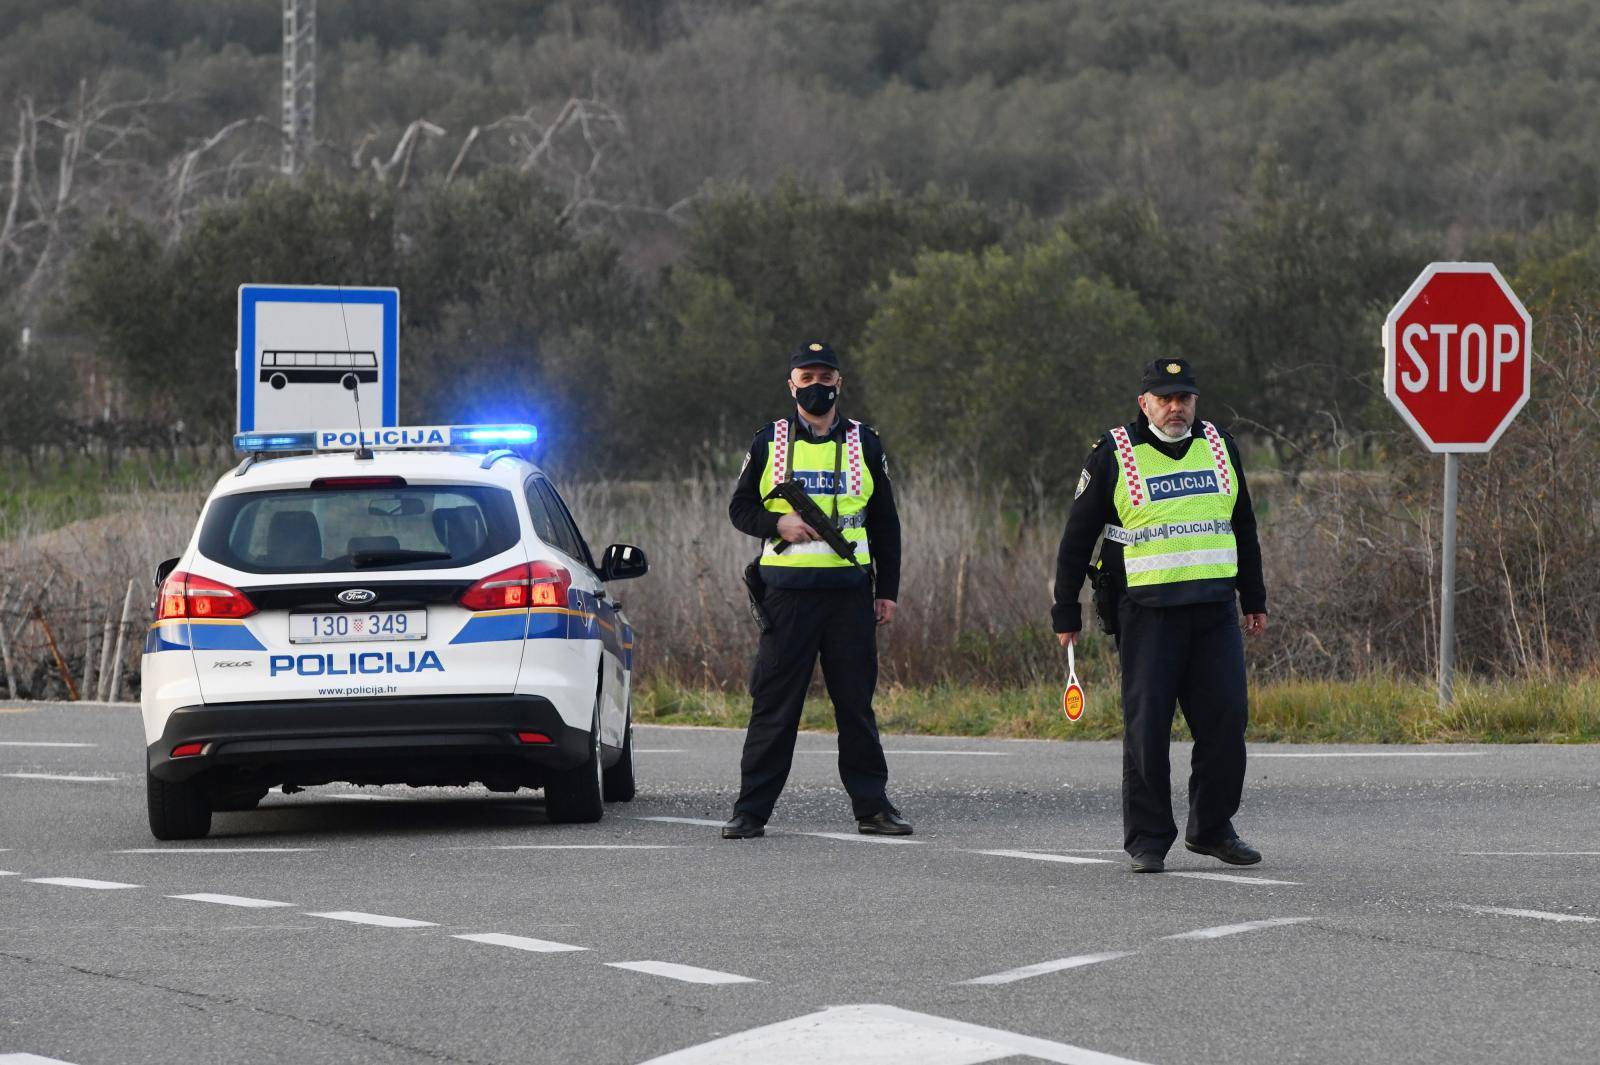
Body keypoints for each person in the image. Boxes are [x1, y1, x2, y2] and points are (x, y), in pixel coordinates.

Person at [1051, 359, 1268, 873]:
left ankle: (1211, 828)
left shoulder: (1219, 445)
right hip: (1147, 614)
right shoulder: (1113, 453)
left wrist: (1253, 598)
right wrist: (1066, 610)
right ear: (1144, 403)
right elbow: (1076, 539)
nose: (1176, 408)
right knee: (1148, 730)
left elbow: (1243, 525)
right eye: (1165, 399)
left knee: (1226, 723)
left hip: (1214, 610)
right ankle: (1148, 839)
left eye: (1185, 398)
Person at [720, 341, 909, 839]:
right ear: (791, 384)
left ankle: (873, 809)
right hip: (787, 597)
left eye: (826, 378)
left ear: (840, 383)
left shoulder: (865, 443)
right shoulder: (769, 442)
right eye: (807, 378)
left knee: (856, 706)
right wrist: (776, 522)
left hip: (850, 596)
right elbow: (739, 509)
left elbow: (885, 522)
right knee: (774, 707)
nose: (817, 387)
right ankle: (749, 811)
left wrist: (886, 590)